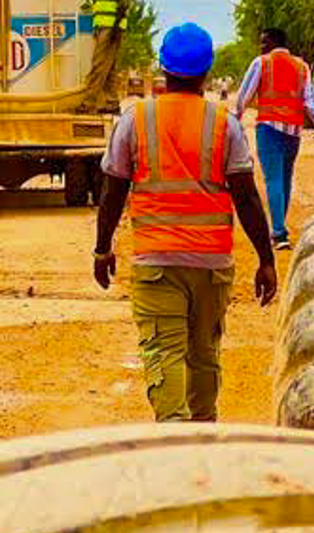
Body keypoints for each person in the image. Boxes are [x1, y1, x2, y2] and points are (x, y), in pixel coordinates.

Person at [93, 23, 278, 423]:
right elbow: (245, 196)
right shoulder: (223, 124)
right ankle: (204, 429)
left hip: (157, 262)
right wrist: (266, 258)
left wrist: (102, 248)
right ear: (207, 70)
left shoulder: (135, 119)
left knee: (165, 352)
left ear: (164, 67)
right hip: (211, 264)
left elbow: (112, 192)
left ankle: (175, 436)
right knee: (204, 354)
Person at [234, 28, 314, 252]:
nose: (261, 47)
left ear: (274, 42)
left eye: (264, 42)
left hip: (269, 128)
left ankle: (278, 233)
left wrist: (235, 118)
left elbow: (244, 96)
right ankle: (279, 229)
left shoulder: (262, 63)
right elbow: (309, 100)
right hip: (293, 131)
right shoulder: (302, 66)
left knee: (273, 180)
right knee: (285, 180)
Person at [77, 0, 132, 111]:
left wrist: (116, 28)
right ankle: (111, 102)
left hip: (111, 27)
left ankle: (89, 103)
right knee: (109, 68)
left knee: (99, 65)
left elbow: (123, 4)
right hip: (100, 25)